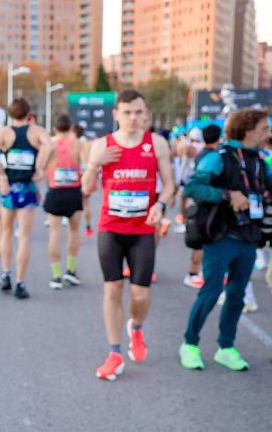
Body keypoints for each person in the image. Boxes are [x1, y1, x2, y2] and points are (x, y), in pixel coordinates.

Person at [82, 89, 174, 381]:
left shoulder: (156, 143)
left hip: (143, 229)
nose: (133, 118)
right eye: (127, 113)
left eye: (138, 112)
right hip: (110, 228)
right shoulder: (101, 145)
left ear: (145, 114)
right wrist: (96, 163)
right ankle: (114, 352)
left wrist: (160, 204)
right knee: (112, 290)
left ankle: (135, 327)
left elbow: (170, 185)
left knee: (140, 295)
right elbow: (86, 188)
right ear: (116, 115)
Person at [179, 109, 272, 372]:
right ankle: (189, 343)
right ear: (248, 129)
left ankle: (226, 347)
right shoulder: (219, 158)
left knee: (237, 295)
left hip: (248, 237)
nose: (268, 132)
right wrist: (227, 195)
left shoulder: (258, 161)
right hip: (221, 236)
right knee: (211, 292)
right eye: (264, 127)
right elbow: (192, 187)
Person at [0, 98, 52, 299]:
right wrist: (40, 169)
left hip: (8, 187)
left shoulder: (4, 132)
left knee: (6, 231)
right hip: (27, 186)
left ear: (10, 113)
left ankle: (6, 274)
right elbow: (50, 146)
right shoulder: (36, 131)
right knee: (24, 236)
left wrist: (2, 176)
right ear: (28, 113)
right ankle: (19, 282)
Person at [42, 114, 84, 289]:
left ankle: (56, 275)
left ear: (55, 128)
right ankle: (71, 270)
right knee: (74, 231)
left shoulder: (49, 145)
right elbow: (86, 166)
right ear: (71, 128)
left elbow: (42, 168)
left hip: (55, 191)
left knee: (54, 233)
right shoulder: (78, 144)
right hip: (74, 191)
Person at [183, 124, 222, 289]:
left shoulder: (203, 153)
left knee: (204, 243)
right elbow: (192, 186)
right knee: (201, 243)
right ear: (218, 138)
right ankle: (192, 274)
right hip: (203, 207)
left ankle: (197, 273)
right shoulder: (210, 156)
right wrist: (221, 194)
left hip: (202, 206)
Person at [73, 124, 94, 237]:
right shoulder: (87, 142)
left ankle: (75, 228)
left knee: (77, 203)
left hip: (79, 174)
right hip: (85, 173)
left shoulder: (77, 144)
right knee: (85, 203)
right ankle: (88, 226)